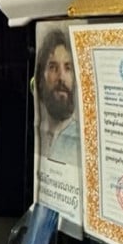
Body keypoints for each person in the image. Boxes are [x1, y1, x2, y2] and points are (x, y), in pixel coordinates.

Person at [37, 26, 79, 164]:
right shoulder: (36, 133)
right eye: (53, 67)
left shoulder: (80, 140)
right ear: (41, 78)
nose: (61, 77)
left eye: (68, 68)